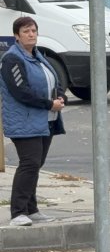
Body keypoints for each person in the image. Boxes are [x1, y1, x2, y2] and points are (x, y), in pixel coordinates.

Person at [1, 16, 66, 227]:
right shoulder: (12, 59)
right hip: (25, 121)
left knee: (36, 165)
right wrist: (49, 104)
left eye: (33, 31)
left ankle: (31, 208)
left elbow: (53, 80)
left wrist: (60, 96)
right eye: (26, 31)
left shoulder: (38, 55)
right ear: (16, 36)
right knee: (29, 164)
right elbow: (20, 91)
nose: (31, 35)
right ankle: (18, 212)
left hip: (45, 120)